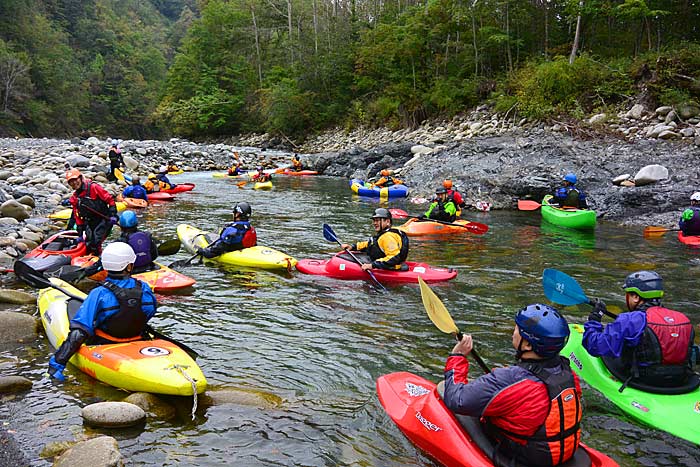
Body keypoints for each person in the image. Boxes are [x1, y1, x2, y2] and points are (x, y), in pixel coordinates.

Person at [443, 304, 581, 467]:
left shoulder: (510, 380)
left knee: (442, 390)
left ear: (528, 345)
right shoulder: (569, 374)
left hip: (525, 457)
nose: (513, 333)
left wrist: (457, 356)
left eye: (517, 330)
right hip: (560, 451)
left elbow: (456, 399)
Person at [47, 242, 158, 381]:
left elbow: (80, 331)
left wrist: (57, 363)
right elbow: (151, 311)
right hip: (138, 339)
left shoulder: (99, 293)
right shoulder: (145, 288)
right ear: (129, 266)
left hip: (106, 344)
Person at [582, 271, 697, 390]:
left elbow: (594, 346)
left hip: (645, 380)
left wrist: (594, 320)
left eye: (628, 294)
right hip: (680, 379)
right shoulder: (683, 319)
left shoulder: (629, 320)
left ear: (636, 297)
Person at [65, 168, 117, 256]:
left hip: (104, 218)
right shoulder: (74, 199)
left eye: (75, 180)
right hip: (90, 221)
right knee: (89, 243)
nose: (74, 183)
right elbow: (77, 217)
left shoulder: (94, 187)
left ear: (81, 178)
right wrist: (80, 234)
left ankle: (100, 258)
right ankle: (92, 256)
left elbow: (110, 199)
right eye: (71, 182)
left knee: (97, 241)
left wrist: (113, 215)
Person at [340, 208, 409, 271]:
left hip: (390, 267)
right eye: (374, 221)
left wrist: (372, 265)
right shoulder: (384, 234)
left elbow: (394, 258)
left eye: (377, 220)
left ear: (387, 221)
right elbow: (371, 244)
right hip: (382, 262)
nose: (374, 223)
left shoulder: (388, 236)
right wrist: (353, 247)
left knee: (343, 259)